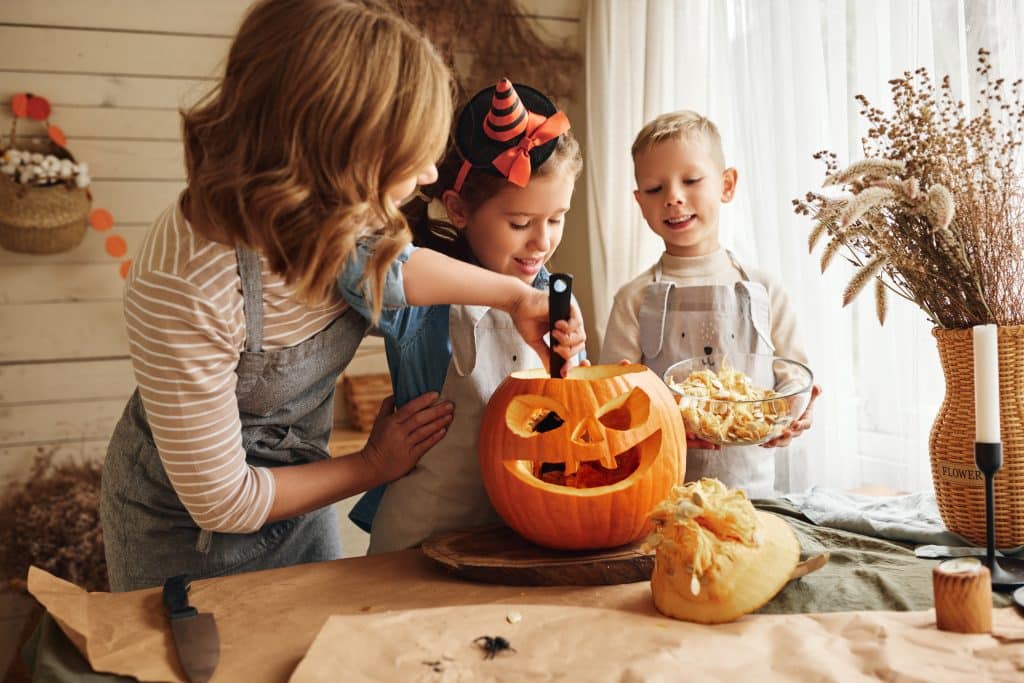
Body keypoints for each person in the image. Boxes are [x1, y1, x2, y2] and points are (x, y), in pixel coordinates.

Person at [100, 0, 583, 592]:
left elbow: (397, 271)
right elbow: (225, 502)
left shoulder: (335, 208)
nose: (431, 175)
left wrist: (517, 298)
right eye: (414, 156)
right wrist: (372, 466)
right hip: (187, 536)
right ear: (342, 156)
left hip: (302, 497)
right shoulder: (186, 283)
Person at [340, 79, 586, 552]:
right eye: (519, 223)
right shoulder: (423, 294)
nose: (542, 241)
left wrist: (573, 359)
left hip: (518, 536)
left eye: (556, 219)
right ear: (457, 210)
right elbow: (360, 265)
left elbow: (573, 411)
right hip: (421, 541)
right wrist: (511, 298)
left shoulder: (550, 293)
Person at [600, 110, 821, 499]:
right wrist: (665, 422)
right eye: (654, 189)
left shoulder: (763, 288)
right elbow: (614, 400)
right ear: (639, 202)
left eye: (691, 180)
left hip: (754, 496)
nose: (673, 198)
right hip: (661, 493)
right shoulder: (634, 299)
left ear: (727, 184)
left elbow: (793, 376)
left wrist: (794, 412)